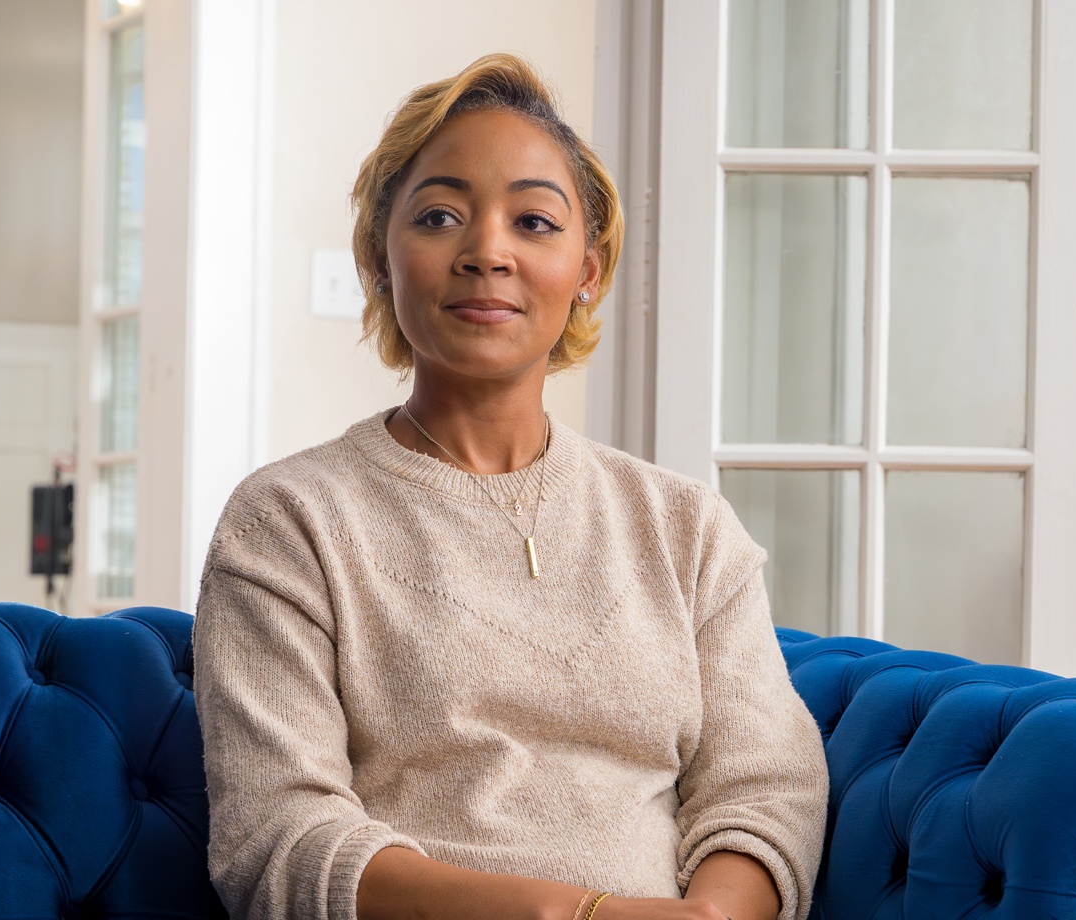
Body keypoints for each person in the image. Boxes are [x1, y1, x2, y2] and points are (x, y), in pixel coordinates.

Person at [194, 54, 827, 920]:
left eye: (533, 222)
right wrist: (569, 915)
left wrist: (710, 918)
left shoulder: (687, 527)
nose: (486, 251)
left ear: (588, 271)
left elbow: (768, 789)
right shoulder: (287, 521)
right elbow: (277, 834)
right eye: (441, 215)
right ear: (381, 260)